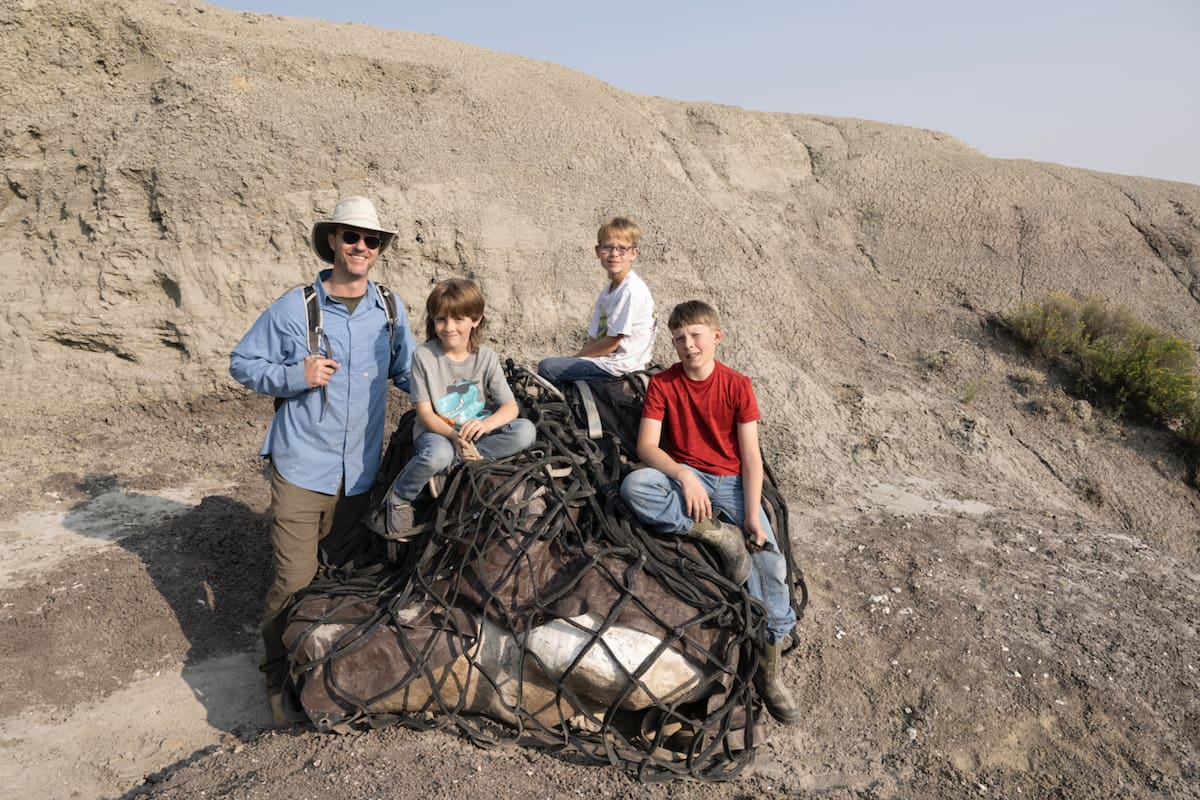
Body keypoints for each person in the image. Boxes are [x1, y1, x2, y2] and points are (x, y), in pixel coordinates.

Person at [229, 195, 416, 725]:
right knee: (293, 582)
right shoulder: (295, 308)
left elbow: (408, 374)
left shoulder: (390, 310)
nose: (361, 246)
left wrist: (464, 400)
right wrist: (296, 376)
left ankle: (326, 674)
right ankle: (276, 680)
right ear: (332, 239)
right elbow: (241, 362)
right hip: (302, 469)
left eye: (371, 240)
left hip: (360, 476)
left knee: (339, 581)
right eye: (351, 236)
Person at [618, 300, 800, 724]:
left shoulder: (737, 385)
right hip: (688, 476)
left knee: (770, 565)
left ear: (716, 336)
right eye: (679, 338)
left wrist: (751, 515)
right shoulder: (664, 385)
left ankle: (770, 672)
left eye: (696, 335)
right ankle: (716, 534)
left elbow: (751, 458)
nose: (688, 345)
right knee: (635, 487)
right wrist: (683, 474)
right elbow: (646, 447)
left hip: (732, 482)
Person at [378, 278, 536, 539]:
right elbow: (425, 414)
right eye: (441, 320)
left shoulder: (486, 356)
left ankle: (456, 463)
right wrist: (453, 436)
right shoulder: (423, 356)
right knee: (437, 455)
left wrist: (485, 425)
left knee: (525, 431)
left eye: (458, 319)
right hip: (439, 431)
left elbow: (510, 407)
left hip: (474, 431)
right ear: (433, 320)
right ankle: (399, 497)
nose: (449, 328)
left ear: (475, 319)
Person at [537, 216, 657, 384]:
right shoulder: (608, 291)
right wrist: (573, 360)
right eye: (608, 247)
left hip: (620, 367)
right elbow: (595, 339)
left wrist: (574, 359)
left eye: (622, 248)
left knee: (548, 367)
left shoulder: (630, 290)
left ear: (633, 253)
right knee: (554, 366)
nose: (614, 254)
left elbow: (612, 343)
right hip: (605, 362)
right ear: (598, 251)